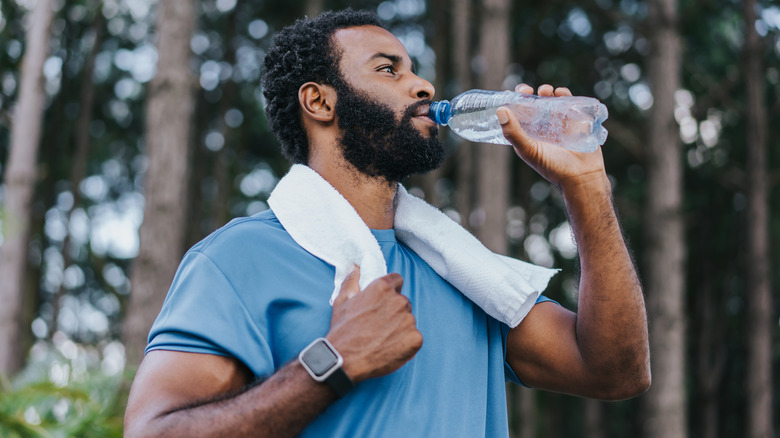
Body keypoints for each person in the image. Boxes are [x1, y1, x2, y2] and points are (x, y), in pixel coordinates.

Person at [124, 9, 650, 438]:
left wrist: (586, 189)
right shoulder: (238, 260)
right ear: (319, 101)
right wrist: (332, 363)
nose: (421, 84)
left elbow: (616, 372)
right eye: (387, 69)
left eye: (415, 69)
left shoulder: (466, 272)